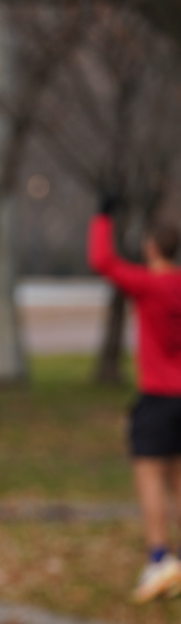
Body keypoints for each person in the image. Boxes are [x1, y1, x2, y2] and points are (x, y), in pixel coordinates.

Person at [88, 197, 181, 603]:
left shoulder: (148, 284)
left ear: (152, 247)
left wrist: (103, 218)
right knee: (178, 478)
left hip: (157, 396)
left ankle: (159, 558)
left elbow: (103, 262)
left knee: (150, 478)